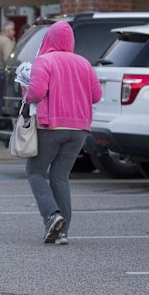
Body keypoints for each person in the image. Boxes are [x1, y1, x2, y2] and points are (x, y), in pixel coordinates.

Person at [24, 21, 102, 245]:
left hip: (51, 126)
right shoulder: (84, 63)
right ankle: (62, 231)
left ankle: (51, 216)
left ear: (49, 38)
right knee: (60, 176)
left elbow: (37, 92)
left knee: (35, 172)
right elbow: (96, 96)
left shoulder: (44, 60)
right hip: (79, 129)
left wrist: (27, 96)